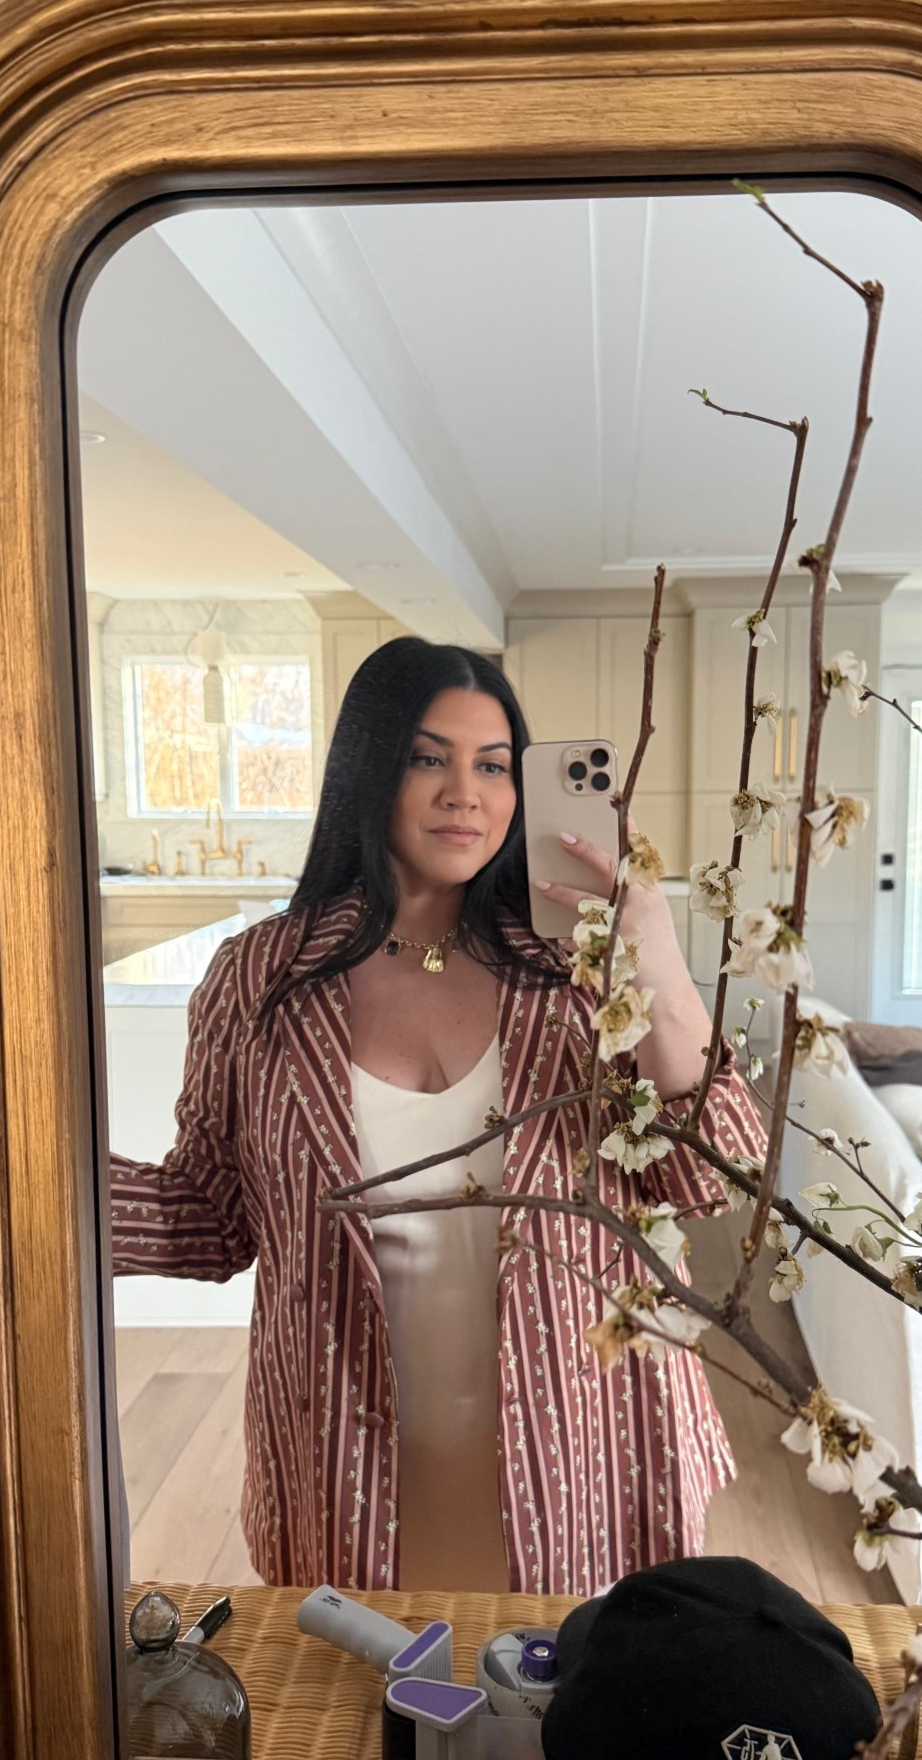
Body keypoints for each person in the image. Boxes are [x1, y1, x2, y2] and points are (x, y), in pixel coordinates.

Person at [110, 637, 767, 1595]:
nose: (466, 793)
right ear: (367, 770)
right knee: (375, 1684)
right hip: (348, 1455)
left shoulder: (580, 971)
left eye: (493, 766)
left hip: (583, 1444)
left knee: (565, 1681)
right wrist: (28, 1183)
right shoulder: (261, 976)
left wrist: (655, 954)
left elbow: (710, 1174)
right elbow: (208, 1217)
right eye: (429, 758)